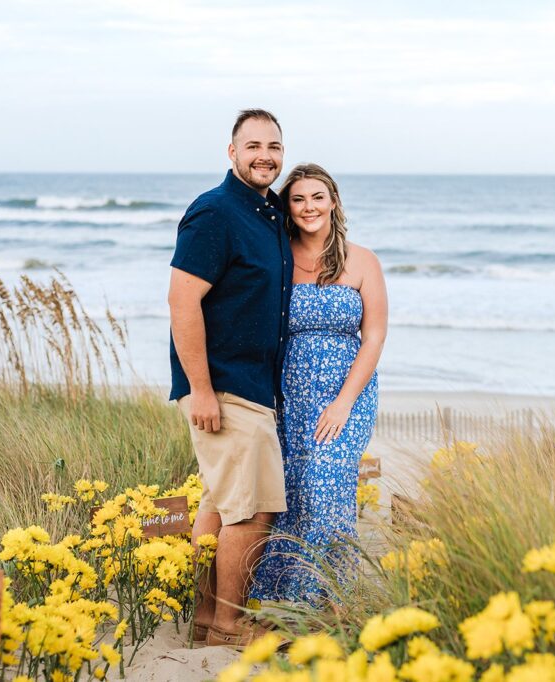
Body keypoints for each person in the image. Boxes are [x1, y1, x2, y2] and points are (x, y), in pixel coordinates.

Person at [167, 109, 293, 646]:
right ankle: (229, 624)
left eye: (274, 146)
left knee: (220, 503)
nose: (265, 155)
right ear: (231, 152)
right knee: (253, 509)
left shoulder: (266, 213)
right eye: (253, 146)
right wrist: (200, 389)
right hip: (223, 384)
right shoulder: (215, 212)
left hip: (251, 383)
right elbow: (181, 299)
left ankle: (202, 618)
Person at [250, 163, 387, 604]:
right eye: (298, 198)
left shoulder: (362, 260)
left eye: (317, 197)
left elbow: (376, 335)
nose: (309, 207)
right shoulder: (279, 259)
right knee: (295, 490)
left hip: (347, 395)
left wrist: (344, 402)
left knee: (325, 484)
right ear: (287, 207)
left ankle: (319, 598)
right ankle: (279, 599)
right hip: (291, 395)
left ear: (333, 202)